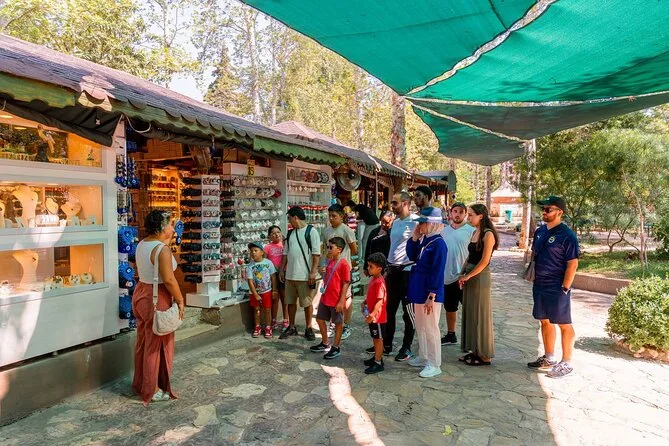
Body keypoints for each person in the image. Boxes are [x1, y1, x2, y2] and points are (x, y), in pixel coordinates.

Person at [132, 210, 185, 406]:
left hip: (141, 292)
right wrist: (180, 300)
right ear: (162, 227)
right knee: (156, 344)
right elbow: (169, 279)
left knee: (144, 340)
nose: (173, 228)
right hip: (157, 296)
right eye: (170, 224)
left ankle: (142, 382)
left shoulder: (143, 244)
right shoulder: (162, 250)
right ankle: (152, 388)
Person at [527, 196, 579, 378]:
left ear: (559, 212)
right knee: (544, 320)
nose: (544, 212)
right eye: (543, 209)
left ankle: (567, 362)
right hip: (540, 284)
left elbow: (572, 264)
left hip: (557, 285)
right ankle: (549, 357)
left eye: (548, 209)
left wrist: (565, 287)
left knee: (564, 323)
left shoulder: (567, 235)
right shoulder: (540, 231)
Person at [406, 207, 447, 378]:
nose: (420, 226)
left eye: (422, 223)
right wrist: (414, 238)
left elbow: (437, 271)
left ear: (431, 224)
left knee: (430, 328)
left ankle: (434, 363)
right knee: (421, 326)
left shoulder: (439, 244)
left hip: (430, 292)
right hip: (419, 289)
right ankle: (424, 356)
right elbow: (411, 255)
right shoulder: (426, 240)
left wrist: (432, 295)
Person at [458, 204, 499, 366]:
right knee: (471, 313)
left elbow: (484, 261)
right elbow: (469, 256)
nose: (468, 218)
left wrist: (468, 275)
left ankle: (484, 354)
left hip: (479, 277)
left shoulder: (488, 235)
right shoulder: (475, 232)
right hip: (469, 276)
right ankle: (474, 350)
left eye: (471, 215)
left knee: (480, 314)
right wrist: (462, 273)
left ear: (480, 216)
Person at [385, 192, 418, 361]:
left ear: (405, 203)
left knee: (408, 312)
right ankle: (386, 344)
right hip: (392, 271)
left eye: (395, 203)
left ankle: (406, 347)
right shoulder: (396, 222)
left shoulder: (416, 222)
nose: (392, 206)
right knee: (389, 309)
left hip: (407, 271)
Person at [280, 206, 321, 341]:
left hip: (304, 275)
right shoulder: (290, 234)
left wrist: (313, 272)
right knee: (290, 302)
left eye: (290, 218)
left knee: (307, 303)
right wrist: (282, 269)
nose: (289, 221)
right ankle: (292, 326)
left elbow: (316, 254)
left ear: (295, 217)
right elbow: (285, 253)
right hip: (290, 275)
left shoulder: (311, 232)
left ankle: (309, 327)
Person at [440, 202, 476, 344]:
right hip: (447, 275)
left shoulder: (471, 231)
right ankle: (451, 334)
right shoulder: (444, 231)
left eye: (461, 212)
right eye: (455, 211)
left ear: (465, 214)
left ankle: (472, 337)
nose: (457, 214)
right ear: (450, 213)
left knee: (469, 308)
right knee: (450, 307)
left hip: (464, 276)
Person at [309, 237, 351, 359]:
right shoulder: (329, 261)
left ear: (339, 249)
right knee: (319, 319)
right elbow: (327, 278)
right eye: (328, 247)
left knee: (338, 323)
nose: (328, 249)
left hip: (336, 299)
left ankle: (336, 347)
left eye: (331, 247)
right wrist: (322, 271)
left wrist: (341, 301)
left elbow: (346, 283)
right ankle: (325, 342)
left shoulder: (343, 264)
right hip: (326, 297)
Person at [321, 204, 358, 340]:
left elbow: (354, 249)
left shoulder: (347, 230)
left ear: (341, 216)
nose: (331, 218)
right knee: (333, 296)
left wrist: (345, 259)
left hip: (343, 268)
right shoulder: (326, 231)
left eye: (334, 216)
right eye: (329, 216)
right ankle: (335, 323)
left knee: (346, 297)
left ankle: (346, 325)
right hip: (331, 269)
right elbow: (325, 248)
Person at [362, 252, 388, 374]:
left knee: (378, 339)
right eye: (368, 266)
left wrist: (372, 314)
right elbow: (372, 295)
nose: (368, 268)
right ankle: (376, 358)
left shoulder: (379, 282)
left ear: (379, 268)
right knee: (375, 337)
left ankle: (378, 362)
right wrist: (365, 302)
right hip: (374, 317)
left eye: (371, 266)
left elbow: (380, 300)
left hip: (378, 318)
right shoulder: (374, 279)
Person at [247, 241, 278, 338]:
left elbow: (273, 277)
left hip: (266, 291)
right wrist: (255, 294)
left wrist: (274, 290)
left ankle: (268, 326)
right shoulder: (250, 266)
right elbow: (250, 281)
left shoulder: (268, 263)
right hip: (255, 292)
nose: (253, 253)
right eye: (251, 251)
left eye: (255, 250)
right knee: (256, 309)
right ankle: (257, 326)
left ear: (262, 252)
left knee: (267, 309)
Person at [265, 225, 288, 330]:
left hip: (284, 274)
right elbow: (265, 261)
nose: (276, 235)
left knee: (285, 298)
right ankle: (273, 320)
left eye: (278, 232)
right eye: (273, 233)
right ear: (269, 236)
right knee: (275, 298)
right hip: (273, 276)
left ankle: (286, 319)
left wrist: (282, 269)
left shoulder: (285, 245)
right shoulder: (267, 247)